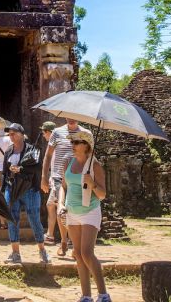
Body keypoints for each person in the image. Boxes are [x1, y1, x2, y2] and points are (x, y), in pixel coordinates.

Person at [58, 128, 110, 302]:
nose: (72, 145)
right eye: (71, 142)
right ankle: (86, 295)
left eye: (76, 142)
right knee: (78, 254)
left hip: (90, 211)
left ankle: (103, 294)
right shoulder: (68, 162)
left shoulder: (95, 166)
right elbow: (63, 186)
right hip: (72, 212)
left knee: (87, 253)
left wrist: (92, 183)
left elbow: (102, 195)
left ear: (86, 145)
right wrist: (60, 204)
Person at [1, 123, 50, 264]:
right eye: (9, 134)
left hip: (29, 189)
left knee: (34, 218)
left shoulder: (32, 149)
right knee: (12, 219)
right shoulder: (8, 151)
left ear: (22, 134)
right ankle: (15, 253)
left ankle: (42, 251)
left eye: (14, 133)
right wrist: (3, 190)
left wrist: (20, 169)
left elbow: (37, 167)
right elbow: (5, 172)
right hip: (12, 188)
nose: (11, 136)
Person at [41, 117, 82, 257]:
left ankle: (74, 243)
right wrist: (44, 177)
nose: (71, 119)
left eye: (74, 115)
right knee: (61, 209)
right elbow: (48, 155)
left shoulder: (85, 134)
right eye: (68, 116)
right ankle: (64, 241)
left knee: (75, 210)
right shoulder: (57, 132)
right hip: (59, 176)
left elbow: (88, 155)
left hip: (77, 177)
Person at [38, 121, 58, 245]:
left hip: (60, 180)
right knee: (52, 205)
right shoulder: (53, 145)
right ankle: (51, 235)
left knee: (53, 205)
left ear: (49, 132)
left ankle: (52, 235)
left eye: (44, 132)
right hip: (55, 179)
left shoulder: (56, 145)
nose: (43, 135)